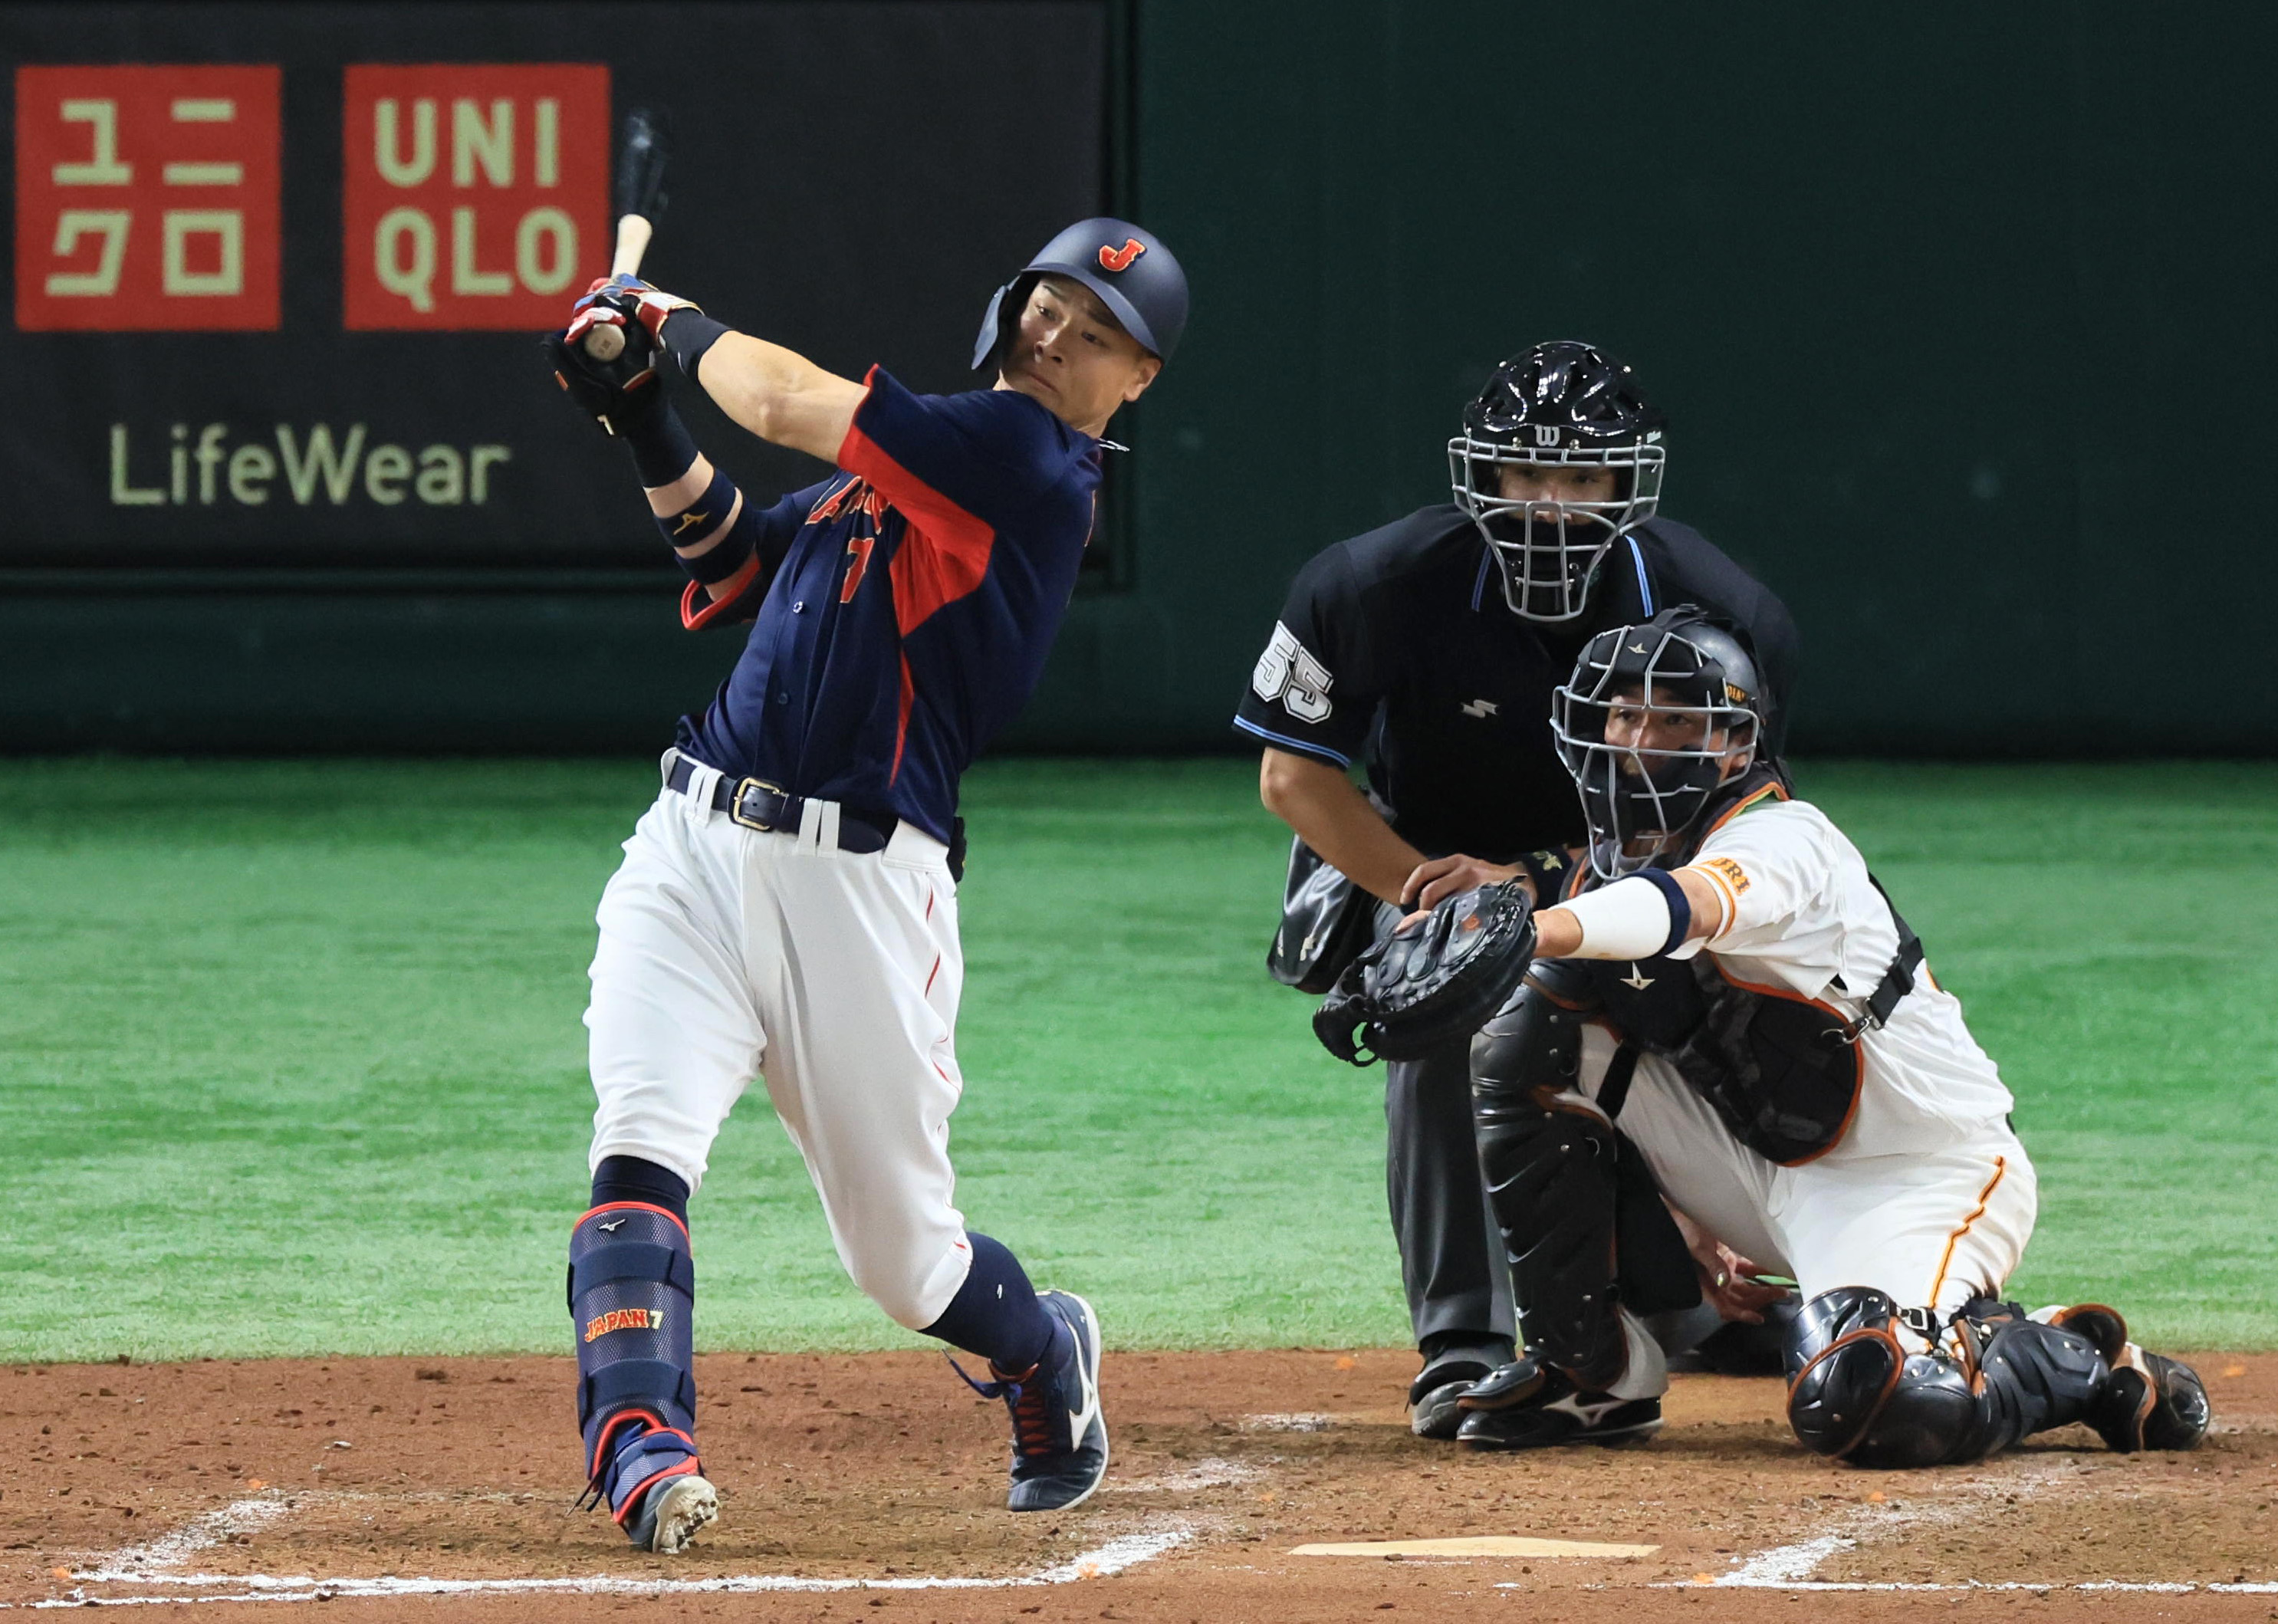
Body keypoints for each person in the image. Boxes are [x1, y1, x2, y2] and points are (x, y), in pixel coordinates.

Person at [538, 217, 1188, 1550]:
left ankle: (1039, 1350)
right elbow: (723, 557)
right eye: (1051, 305)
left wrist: (660, 317)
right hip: (692, 846)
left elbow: (779, 396)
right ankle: (641, 1444)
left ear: (1135, 383)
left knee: (905, 1264)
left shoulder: (1024, 464)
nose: (1058, 335)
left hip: (862, 888)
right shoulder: (891, 478)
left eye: (1100, 334)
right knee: (638, 1148)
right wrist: (642, 418)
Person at [1451, 609, 2209, 1465]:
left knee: (1874, 1403)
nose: (1638, 739)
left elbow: (1683, 908)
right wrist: (1693, 1226)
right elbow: (1639, 1055)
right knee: (1526, 1027)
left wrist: (1532, 926)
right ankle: (1587, 1373)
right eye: (1624, 714)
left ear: (1733, 747)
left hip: (1921, 1175)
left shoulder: (1785, 840)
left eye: (1674, 719)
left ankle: (2068, 1356)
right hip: (1760, 1166)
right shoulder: (1599, 872)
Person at [1235, 342, 1800, 1437]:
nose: (1547, 506)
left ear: (1627, 482)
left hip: (1636, 868)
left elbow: (1731, 835)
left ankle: (1681, 1298)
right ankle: (1462, 1339)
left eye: (1580, 480)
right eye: (1522, 476)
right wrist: (1438, 894)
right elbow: (1290, 776)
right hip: (1416, 860)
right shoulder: (1368, 584)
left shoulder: (1723, 620)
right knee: (1466, 985)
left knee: (1731, 1018)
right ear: (1478, 477)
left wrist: (1542, 886)